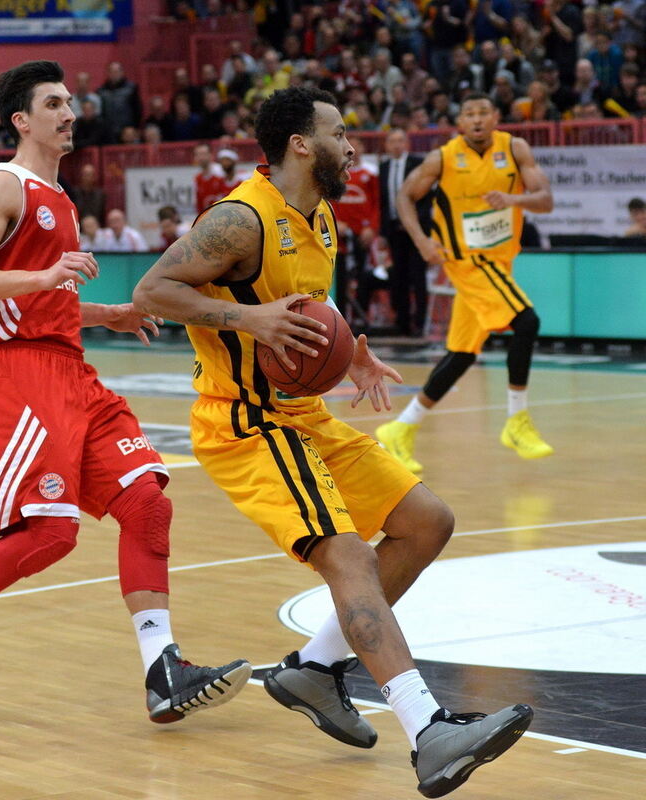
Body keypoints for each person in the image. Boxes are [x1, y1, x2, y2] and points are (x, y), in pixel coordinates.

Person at [132, 86, 533, 799]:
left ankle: (314, 670)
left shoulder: (320, 217)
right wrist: (249, 320)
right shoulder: (239, 218)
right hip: (245, 420)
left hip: (301, 412)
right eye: (341, 133)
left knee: (425, 522)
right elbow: (154, 292)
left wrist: (349, 353)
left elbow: (310, 309)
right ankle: (429, 730)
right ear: (301, 144)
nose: (353, 146)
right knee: (345, 552)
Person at [0, 60, 251, 723]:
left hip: (72, 370)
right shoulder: (4, 187)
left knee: (147, 501)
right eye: (54, 102)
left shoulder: (60, 198)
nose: (70, 112)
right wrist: (46, 278)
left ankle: (162, 672)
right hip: (21, 375)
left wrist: (106, 311)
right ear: (22, 120)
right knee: (51, 534)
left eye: (71, 101)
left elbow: (43, 300)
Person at [376, 92, 554, 473]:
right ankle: (517, 420)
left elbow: (545, 200)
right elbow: (405, 197)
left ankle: (400, 428)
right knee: (527, 321)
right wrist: (423, 241)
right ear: (459, 122)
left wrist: (511, 199)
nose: (476, 119)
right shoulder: (441, 157)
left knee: (461, 355)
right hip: (469, 262)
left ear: (496, 117)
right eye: (468, 113)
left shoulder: (516, 148)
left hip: (499, 262)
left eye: (483, 112)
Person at [380, 128, 429, 337]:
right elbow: (382, 202)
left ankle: (419, 323)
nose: (397, 145)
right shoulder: (383, 167)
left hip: (416, 229)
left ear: (407, 143)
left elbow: (427, 198)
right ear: (387, 145)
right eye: (393, 141)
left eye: (400, 140)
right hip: (393, 229)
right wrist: (383, 231)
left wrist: (414, 222)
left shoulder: (419, 163)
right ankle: (401, 322)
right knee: (398, 276)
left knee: (418, 276)